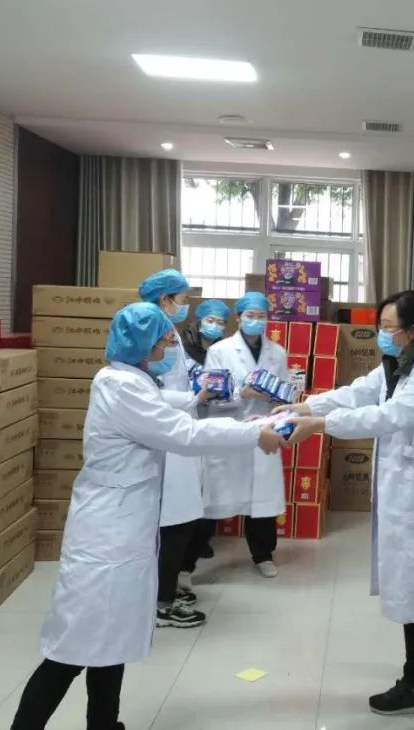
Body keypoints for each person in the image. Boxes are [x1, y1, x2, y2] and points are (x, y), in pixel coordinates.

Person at [10, 303, 286, 730]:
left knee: (113, 640)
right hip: (106, 538)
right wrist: (253, 431)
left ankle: (104, 724)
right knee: (72, 647)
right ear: (140, 344)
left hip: (126, 531)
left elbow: (168, 405)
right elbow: (183, 433)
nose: (167, 349)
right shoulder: (121, 387)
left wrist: (213, 402)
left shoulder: (134, 381)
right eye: (162, 342)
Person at [280, 290, 414, 716]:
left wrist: (321, 425)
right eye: (381, 326)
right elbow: (358, 392)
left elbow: (390, 416)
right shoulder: (399, 361)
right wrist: (306, 406)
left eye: (389, 328)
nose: (382, 335)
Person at [137, 269, 212, 628]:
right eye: (181, 299)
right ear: (165, 298)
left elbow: (179, 368)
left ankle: (164, 590)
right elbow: (151, 390)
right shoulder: (149, 331)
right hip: (169, 434)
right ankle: (162, 603)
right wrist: (193, 398)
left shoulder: (168, 330)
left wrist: (201, 377)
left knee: (181, 520)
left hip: (180, 430)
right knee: (174, 523)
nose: (185, 305)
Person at [202, 291, 288, 577]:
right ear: (238, 318)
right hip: (228, 428)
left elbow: (285, 393)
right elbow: (210, 395)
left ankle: (263, 555)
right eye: (250, 315)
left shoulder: (277, 352)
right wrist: (243, 393)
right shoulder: (220, 350)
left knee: (261, 497)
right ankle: (189, 559)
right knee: (215, 495)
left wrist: (278, 401)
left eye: (261, 316)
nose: (256, 321)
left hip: (263, 428)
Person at [175, 298, 232, 583]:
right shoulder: (181, 348)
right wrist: (197, 395)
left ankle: (198, 544)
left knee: (210, 490)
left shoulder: (223, 350)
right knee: (189, 492)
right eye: (210, 320)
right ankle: (183, 556)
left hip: (211, 422)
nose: (215, 326)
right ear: (199, 321)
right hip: (185, 421)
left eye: (221, 322)